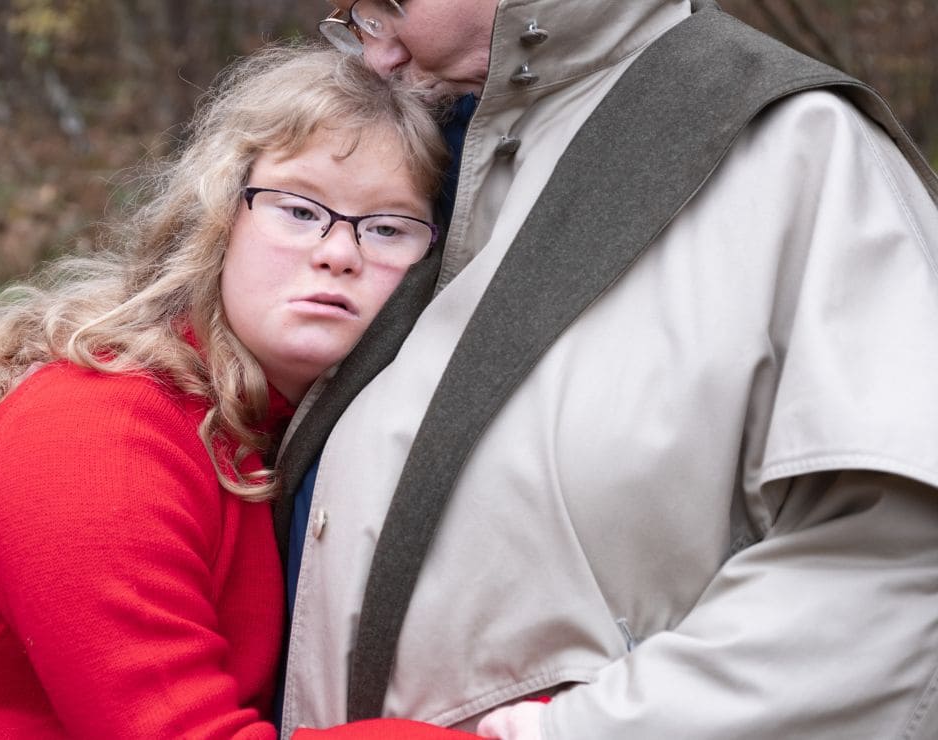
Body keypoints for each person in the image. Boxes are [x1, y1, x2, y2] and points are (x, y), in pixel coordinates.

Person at [278, 1, 938, 738]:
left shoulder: (800, 152)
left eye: (381, 5)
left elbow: (890, 580)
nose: (373, 55)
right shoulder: (415, 148)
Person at [0, 42, 452, 738]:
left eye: (388, 228)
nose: (340, 252)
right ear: (218, 221)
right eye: (299, 210)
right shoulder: (95, 434)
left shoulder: (283, 427)